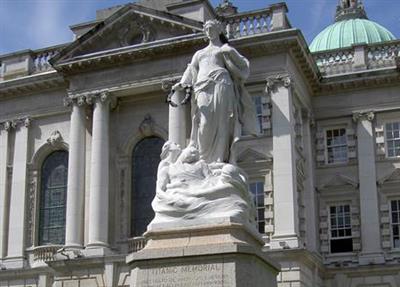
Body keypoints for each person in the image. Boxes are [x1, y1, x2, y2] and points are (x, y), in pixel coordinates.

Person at [173, 20, 256, 164]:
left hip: (222, 84)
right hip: (202, 87)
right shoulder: (199, 53)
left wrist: (231, 52)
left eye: (211, 29)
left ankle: (218, 160)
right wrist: (182, 83)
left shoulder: (225, 49)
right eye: (206, 30)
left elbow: (244, 66)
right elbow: (191, 69)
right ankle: (204, 160)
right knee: (203, 123)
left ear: (219, 30)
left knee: (222, 122)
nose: (209, 32)